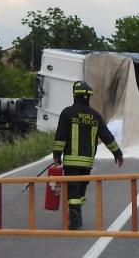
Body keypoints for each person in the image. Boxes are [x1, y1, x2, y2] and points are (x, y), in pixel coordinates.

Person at [53, 80, 124, 230]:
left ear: (74, 95)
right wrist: (117, 153)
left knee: (73, 191)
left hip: (71, 162)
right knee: (80, 191)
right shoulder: (95, 116)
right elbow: (107, 136)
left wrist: (57, 155)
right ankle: (76, 215)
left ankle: (75, 220)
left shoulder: (67, 113)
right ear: (89, 97)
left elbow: (60, 137)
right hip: (87, 163)